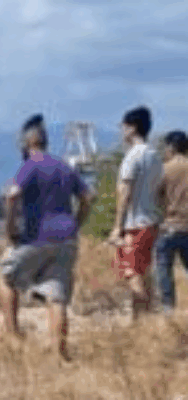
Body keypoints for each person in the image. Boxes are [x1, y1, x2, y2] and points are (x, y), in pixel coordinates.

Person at [0, 114, 94, 362]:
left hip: (38, 236)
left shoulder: (31, 164)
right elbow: (88, 197)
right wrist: (77, 222)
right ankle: (59, 353)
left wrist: (10, 228)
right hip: (66, 239)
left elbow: (12, 195)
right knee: (57, 294)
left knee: (6, 276)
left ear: (27, 143)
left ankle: (12, 335)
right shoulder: (64, 166)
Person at [111, 106, 164, 321]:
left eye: (123, 127)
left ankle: (139, 323)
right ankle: (148, 319)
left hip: (134, 224)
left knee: (133, 274)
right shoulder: (154, 155)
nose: (122, 131)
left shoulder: (133, 156)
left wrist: (117, 227)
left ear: (132, 128)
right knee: (145, 273)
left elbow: (125, 192)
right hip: (152, 222)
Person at [156, 130, 188, 313]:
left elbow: (156, 197)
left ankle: (169, 311)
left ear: (171, 147)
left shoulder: (164, 169)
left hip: (168, 226)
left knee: (164, 270)